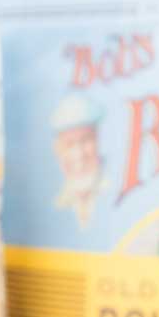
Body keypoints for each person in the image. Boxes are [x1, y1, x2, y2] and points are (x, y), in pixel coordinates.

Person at [51, 94, 107, 228]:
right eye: (69, 144)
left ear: (98, 141)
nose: (79, 154)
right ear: (58, 150)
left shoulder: (112, 190)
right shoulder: (56, 204)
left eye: (86, 140)